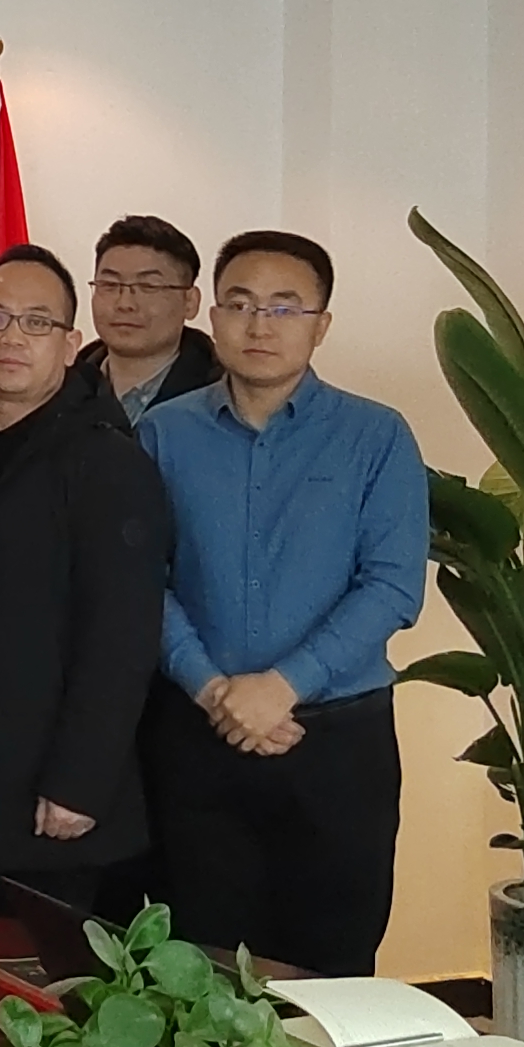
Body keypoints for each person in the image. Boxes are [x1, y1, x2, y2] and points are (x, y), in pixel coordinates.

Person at [137, 229, 427, 977]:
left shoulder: (376, 435)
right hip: (196, 738)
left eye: (284, 307)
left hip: (336, 746)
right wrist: (212, 689)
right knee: (196, 971)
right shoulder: (164, 433)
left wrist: (283, 685)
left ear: (320, 325)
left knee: (334, 971)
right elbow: (140, 581)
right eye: (240, 304)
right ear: (212, 316)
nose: (259, 325)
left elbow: (393, 586)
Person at [0, 245, 168, 919]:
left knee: (50, 978)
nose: (12, 338)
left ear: (70, 345)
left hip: (54, 800)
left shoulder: (106, 459)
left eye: (37, 322)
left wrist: (80, 782)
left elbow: (123, 636)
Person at [59, 215, 221, 429]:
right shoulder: (59, 387)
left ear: (190, 302)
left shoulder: (222, 396)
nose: (125, 303)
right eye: (110, 284)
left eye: (148, 287)